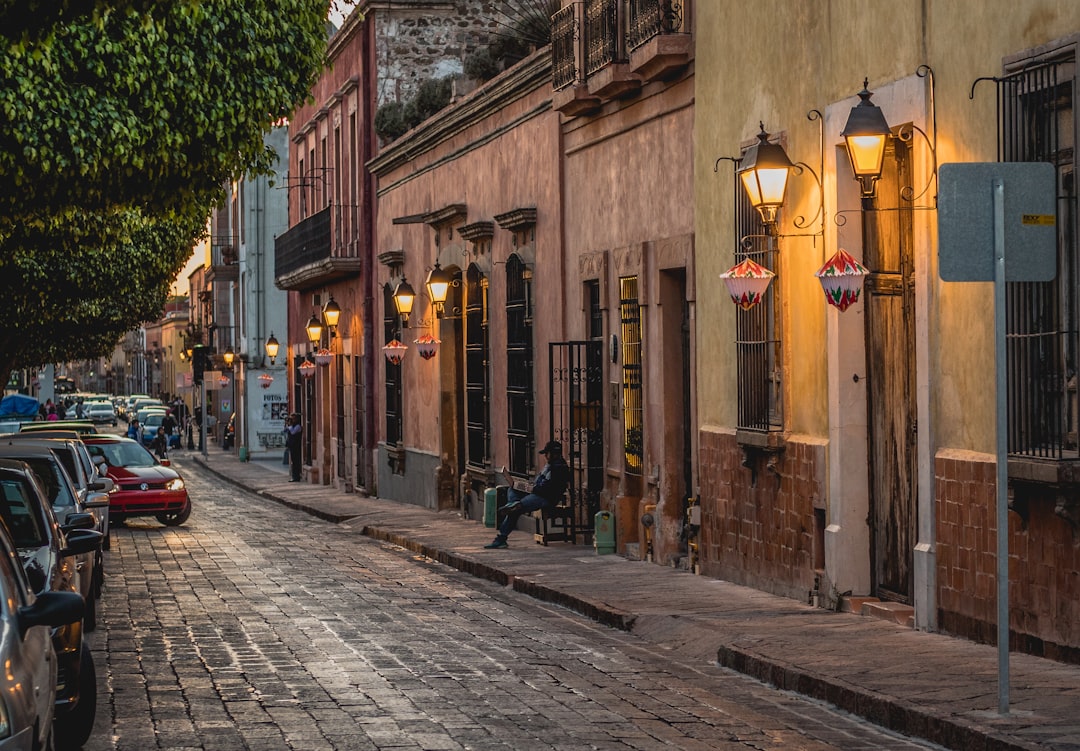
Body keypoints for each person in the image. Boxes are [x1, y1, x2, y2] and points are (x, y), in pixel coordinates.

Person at [484, 440, 570, 549]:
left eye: (546, 454)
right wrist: (527, 486)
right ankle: (513, 503)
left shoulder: (559, 469)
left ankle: (502, 537)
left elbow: (548, 490)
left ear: (553, 454)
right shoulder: (549, 466)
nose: (545, 457)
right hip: (536, 491)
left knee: (516, 510)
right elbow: (539, 482)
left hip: (545, 498)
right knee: (513, 488)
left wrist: (532, 489)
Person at [285, 413, 303, 482]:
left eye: (293, 419)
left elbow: (292, 432)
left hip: (296, 446)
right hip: (292, 446)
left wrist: (289, 426)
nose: (292, 420)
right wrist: (287, 424)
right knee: (293, 461)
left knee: (296, 462)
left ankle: (296, 477)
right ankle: (294, 476)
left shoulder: (298, 426)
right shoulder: (292, 426)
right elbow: (285, 430)